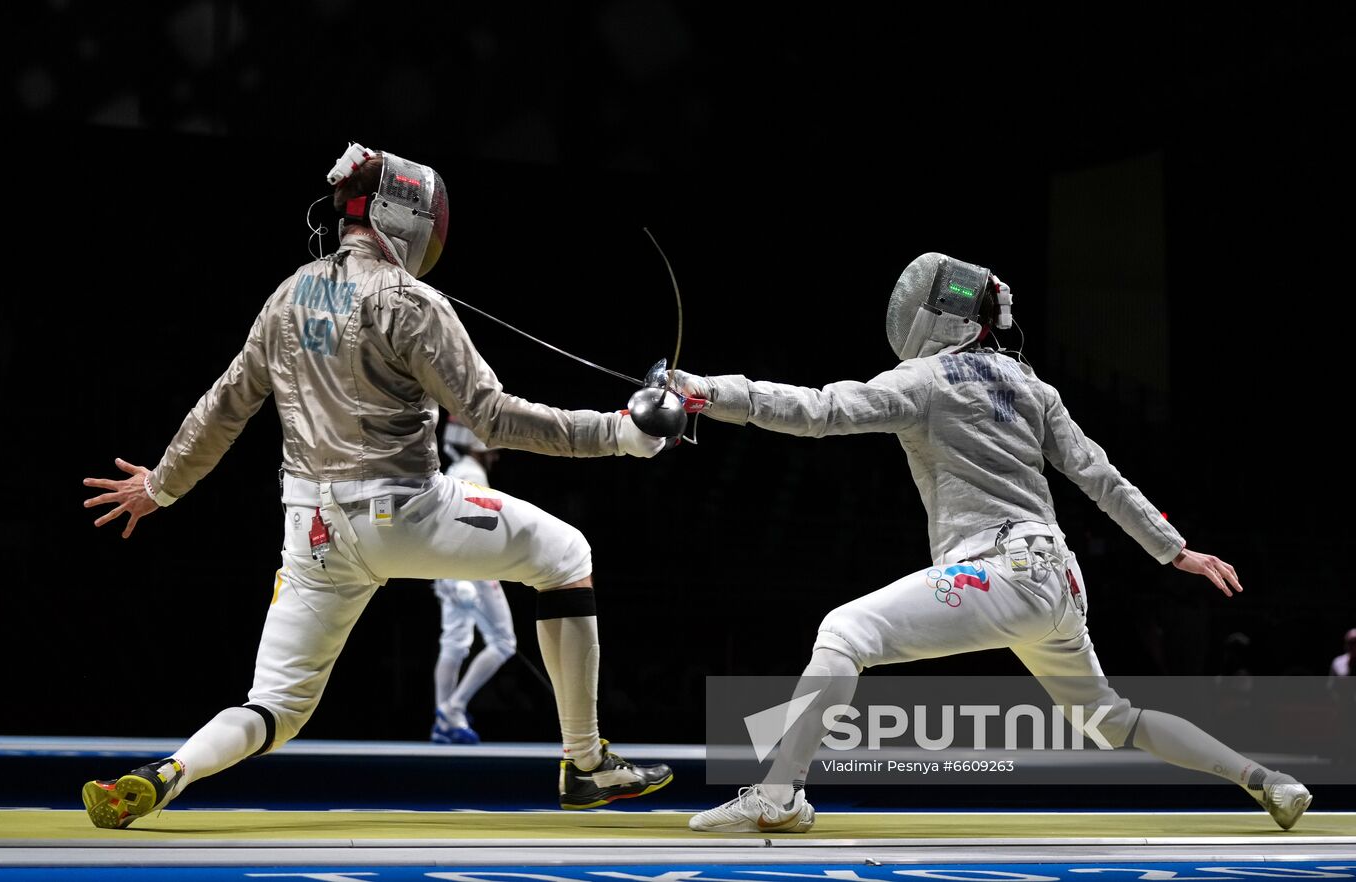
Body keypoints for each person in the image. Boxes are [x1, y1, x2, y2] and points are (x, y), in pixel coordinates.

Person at [79, 143, 672, 828]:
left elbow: (225, 404)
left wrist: (162, 486)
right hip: (405, 512)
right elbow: (492, 417)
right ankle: (586, 763)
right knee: (566, 556)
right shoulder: (411, 302)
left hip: (312, 533)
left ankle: (168, 771)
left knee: (276, 705)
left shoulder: (286, 295)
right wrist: (621, 433)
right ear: (406, 217)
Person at [675, 253, 1312, 833]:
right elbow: (1100, 476)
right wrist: (1176, 550)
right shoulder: (1035, 388)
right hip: (1059, 581)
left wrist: (708, 391)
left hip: (1001, 569)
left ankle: (779, 795)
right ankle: (1268, 782)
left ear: (940, 317)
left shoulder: (928, 379)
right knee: (1110, 717)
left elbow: (821, 410)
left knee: (844, 633)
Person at [430, 418, 517, 744]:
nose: (495, 454)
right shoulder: (471, 473)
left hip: (451, 570)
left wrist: (447, 577)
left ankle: (446, 720)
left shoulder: (455, 469)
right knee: (504, 643)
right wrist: (459, 577)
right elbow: (465, 528)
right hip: (473, 571)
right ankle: (453, 706)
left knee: (453, 642)